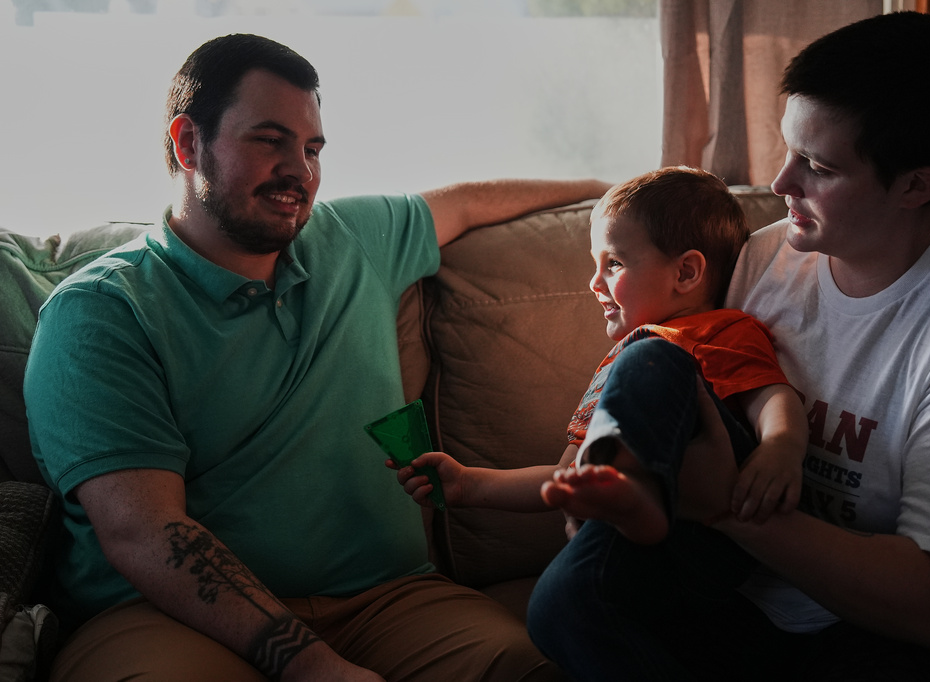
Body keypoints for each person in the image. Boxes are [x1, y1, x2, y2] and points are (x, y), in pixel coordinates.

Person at [23, 33, 612, 682]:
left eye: (311, 148)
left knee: (544, 669)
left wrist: (620, 192)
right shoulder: (101, 312)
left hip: (388, 599)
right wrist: (311, 666)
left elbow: (468, 203)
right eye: (269, 141)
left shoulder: (352, 238)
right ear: (189, 143)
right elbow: (146, 533)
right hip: (163, 616)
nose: (300, 172)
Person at [528, 11, 930, 680]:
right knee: (563, 606)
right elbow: (683, 390)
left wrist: (728, 505)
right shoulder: (764, 257)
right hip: (750, 587)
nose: (780, 183)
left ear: (916, 185)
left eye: (817, 166)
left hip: (902, 633)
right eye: (787, 148)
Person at [393, 166, 806, 626]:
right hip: (647, 568)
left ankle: (640, 495)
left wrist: (780, 448)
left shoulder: (718, 332)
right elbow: (568, 476)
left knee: (650, 357)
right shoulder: (618, 366)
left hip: (713, 539)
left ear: (686, 272)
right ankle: (624, 510)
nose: (594, 282)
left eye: (613, 264)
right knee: (556, 612)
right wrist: (470, 485)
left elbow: (771, 397)